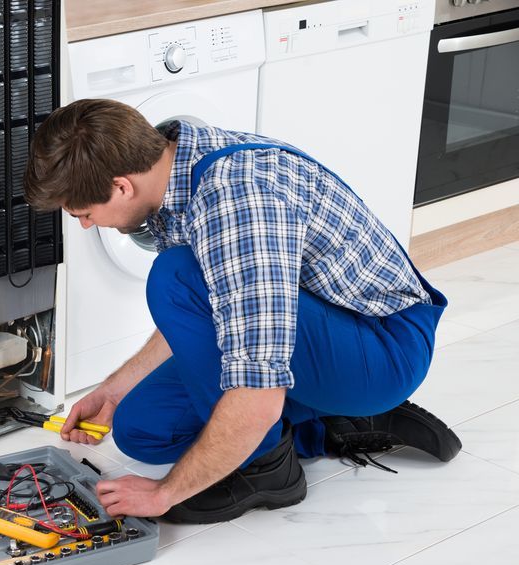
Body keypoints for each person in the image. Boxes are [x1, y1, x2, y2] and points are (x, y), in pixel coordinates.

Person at [24, 98, 461, 524]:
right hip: (317, 329)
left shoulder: (236, 203)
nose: (84, 224)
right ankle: (331, 420)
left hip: (381, 347)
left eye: (83, 212)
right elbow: (215, 306)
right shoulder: (173, 165)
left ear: (121, 186)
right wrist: (115, 389)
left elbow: (258, 381)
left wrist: (166, 493)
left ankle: (268, 470)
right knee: (143, 429)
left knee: (174, 275)